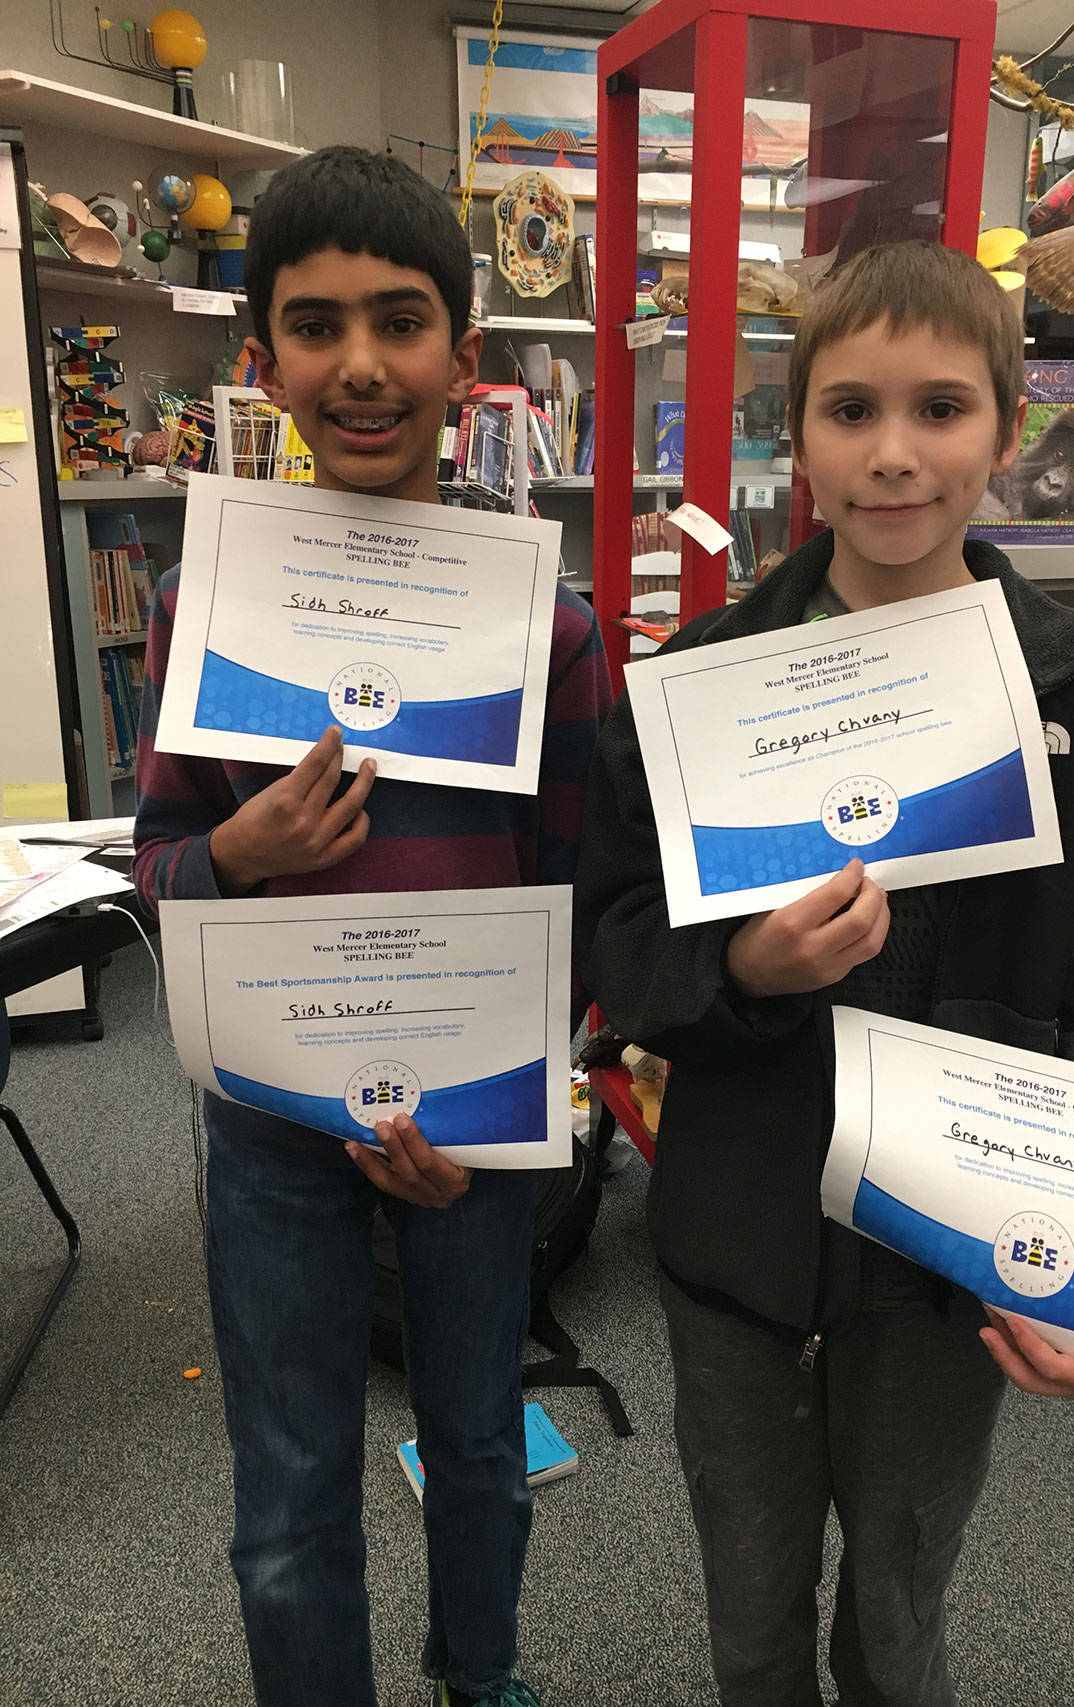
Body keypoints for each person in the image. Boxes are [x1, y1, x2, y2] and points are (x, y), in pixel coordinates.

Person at [573, 240, 1074, 1707]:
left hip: (943, 1282)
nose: (896, 455)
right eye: (850, 411)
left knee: (903, 1610)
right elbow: (618, 942)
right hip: (736, 1250)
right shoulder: (699, 688)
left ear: (1003, 432)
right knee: (749, 1607)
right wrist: (739, 962)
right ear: (796, 437)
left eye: (941, 409)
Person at [133, 146, 612, 1707]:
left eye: (399, 322)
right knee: (284, 1493)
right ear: (260, 361)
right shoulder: (214, 594)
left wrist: (516, 1097)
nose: (360, 363)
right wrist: (239, 857)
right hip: (273, 1126)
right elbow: (158, 859)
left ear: (464, 362)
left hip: (471, 1135)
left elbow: (579, 888)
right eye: (316, 326)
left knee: (479, 1440)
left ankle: (483, 1673)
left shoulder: (546, 621)